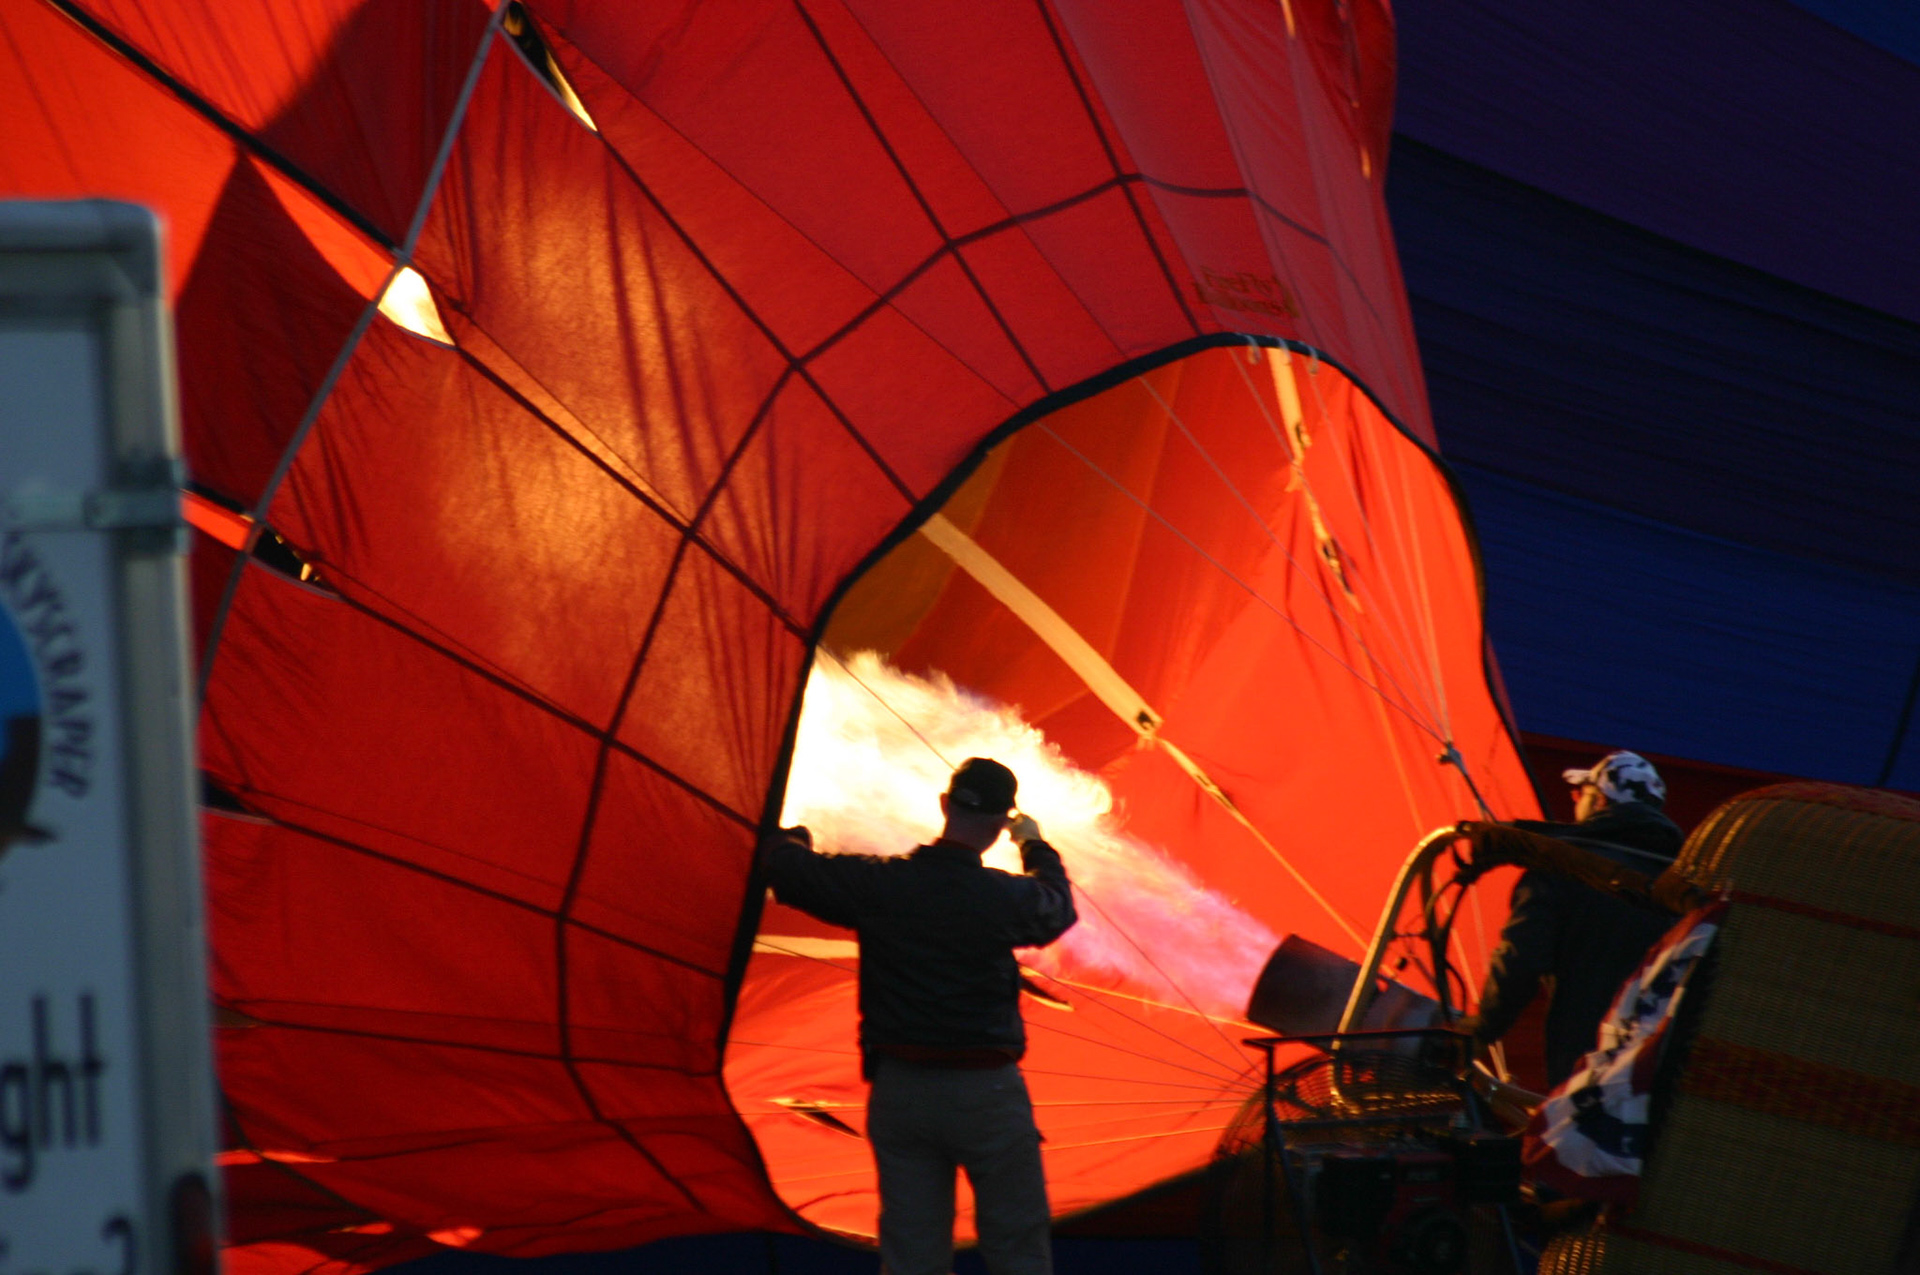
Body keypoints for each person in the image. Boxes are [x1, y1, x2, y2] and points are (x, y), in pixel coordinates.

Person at [763, 757, 1077, 1275]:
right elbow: (1057, 906)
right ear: (1001, 823)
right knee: (1017, 1248)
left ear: (945, 805)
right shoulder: (1002, 896)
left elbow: (789, 871)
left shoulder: (882, 883)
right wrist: (1034, 844)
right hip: (986, 1091)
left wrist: (792, 840)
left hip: (901, 1089)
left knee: (912, 1256)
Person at [1464, 750, 1685, 1088]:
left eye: (1581, 792)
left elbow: (1520, 960)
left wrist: (1481, 1030)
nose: (1574, 799)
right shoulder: (1682, 881)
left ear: (1600, 800)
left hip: (1586, 1063)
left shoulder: (1559, 867)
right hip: (1664, 1067)